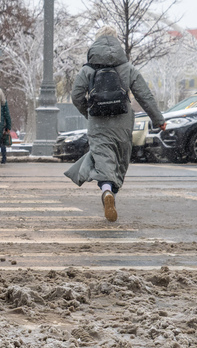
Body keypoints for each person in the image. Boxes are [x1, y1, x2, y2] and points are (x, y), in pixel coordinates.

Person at [64, 26, 166, 222]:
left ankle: (106, 190)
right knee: (119, 160)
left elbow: (76, 96)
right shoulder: (127, 68)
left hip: (98, 121)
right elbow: (144, 96)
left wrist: (89, 111)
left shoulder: (88, 69)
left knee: (102, 157)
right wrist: (158, 120)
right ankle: (112, 192)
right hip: (123, 121)